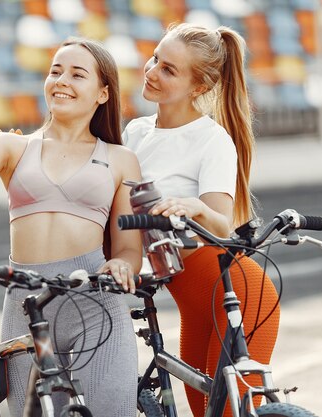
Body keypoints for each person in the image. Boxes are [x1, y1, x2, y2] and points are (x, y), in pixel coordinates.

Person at [0, 32, 141, 417]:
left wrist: (124, 263)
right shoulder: (14, 148)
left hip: (96, 304)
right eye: (55, 71)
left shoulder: (121, 159)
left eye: (77, 74)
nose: (61, 80)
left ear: (103, 94)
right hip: (26, 306)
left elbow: (128, 247)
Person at [123, 23, 280, 417]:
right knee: (202, 408)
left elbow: (221, 225)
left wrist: (192, 206)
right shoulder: (135, 132)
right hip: (192, 301)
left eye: (169, 69)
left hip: (242, 295)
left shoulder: (211, 139)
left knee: (228, 411)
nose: (152, 71)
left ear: (198, 87)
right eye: (156, 58)